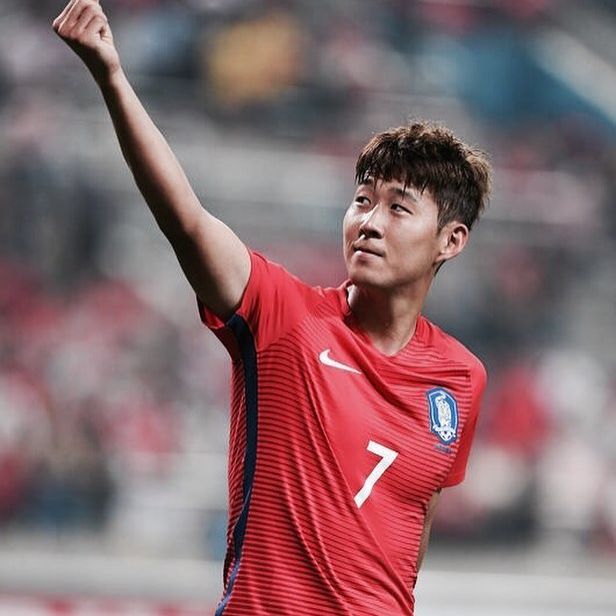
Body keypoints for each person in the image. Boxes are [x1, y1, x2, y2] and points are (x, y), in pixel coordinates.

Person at [52, 2, 491, 614]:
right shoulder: (286, 318)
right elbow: (186, 221)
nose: (368, 222)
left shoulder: (462, 378)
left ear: (451, 240)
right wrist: (112, 78)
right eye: (361, 200)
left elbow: (411, 528)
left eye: (398, 207)